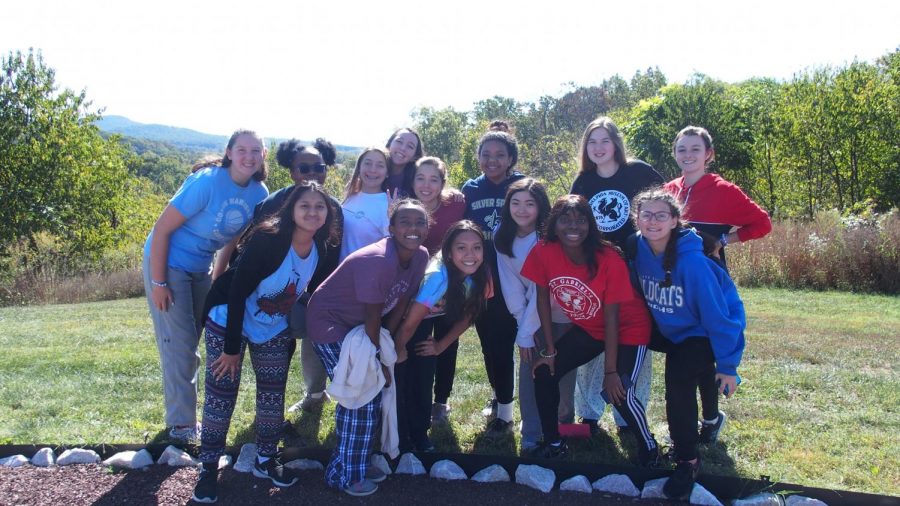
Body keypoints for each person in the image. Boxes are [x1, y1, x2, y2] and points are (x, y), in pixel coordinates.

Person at [192, 182, 337, 503]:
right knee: (221, 394)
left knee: (273, 396)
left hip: (271, 325)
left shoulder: (321, 248)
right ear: (291, 211)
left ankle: (266, 460)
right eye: (305, 206)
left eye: (320, 207)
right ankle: (207, 469)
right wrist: (231, 349)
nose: (312, 212)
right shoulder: (269, 240)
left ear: (328, 214)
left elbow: (310, 290)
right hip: (229, 317)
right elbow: (236, 291)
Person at [143, 129, 269, 442]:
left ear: (263, 156)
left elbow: (234, 239)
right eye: (242, 149)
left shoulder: (259, 193)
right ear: (229, 152)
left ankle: (184, 416)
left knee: (196, 337)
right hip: (168, 263)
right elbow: (161, 231)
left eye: (256, 151)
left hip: (200, 267)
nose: (248, 156)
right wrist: (159, 283)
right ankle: (181, 424)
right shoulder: (208, 182)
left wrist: (218, 278)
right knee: (180, 343)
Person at [521, 195, 661, 467]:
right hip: (592, 328)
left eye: (581, 219)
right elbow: (542, 301)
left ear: (591, 224)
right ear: (554, 224)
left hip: (628, 327)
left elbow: (613, 318)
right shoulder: (543, 251)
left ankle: (649, 447)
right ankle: (554, 443)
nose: (573, 226)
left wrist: (610, 373)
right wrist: (549, 351)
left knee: (619, 392)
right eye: (565, 219)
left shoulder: (607, 257)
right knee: (544, 372)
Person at [306, 199, 430, 496]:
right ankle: (344, 475)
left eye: (420, 223)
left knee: (369, 390)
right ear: (391, 228)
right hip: (331, 323)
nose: (413, 229)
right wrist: (378, 360)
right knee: (360, 392)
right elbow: (373, 315)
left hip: (362, 326)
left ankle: (355, 462)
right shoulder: (378, 260)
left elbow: (400, 302)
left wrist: (387, 347)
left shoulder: (420, 255)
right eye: (405, 223)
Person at [629, 188, 745, 499]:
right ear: (636, 218)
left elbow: (719, 317)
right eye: (646, 215)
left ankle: (688, 460)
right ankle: (711, 418)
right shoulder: (636, 247)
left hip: (703, 330)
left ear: (675, 220)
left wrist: (728, 366)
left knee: (679, 379)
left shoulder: (692, 262)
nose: (653, 221)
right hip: (670, 327)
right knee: (683, 364)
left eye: (661, 215)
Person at [664, 125, 770, 443]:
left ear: (708, 155)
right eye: (682, 149)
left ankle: (711, 418)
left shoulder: (724, 190)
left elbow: (762, 223)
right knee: (684, 350)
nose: (688, 155)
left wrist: (724, 238)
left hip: (709, 283)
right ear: (675, 153)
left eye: (695, 149)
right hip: (673, 284)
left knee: (705, 351)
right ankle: (697, 418)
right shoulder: (669, 189)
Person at [570, 116, 664, 436]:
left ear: (616, 144)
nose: (598, 148)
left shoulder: (638, 172)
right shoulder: (583, 182)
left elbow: (665, 207)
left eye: (604, 141)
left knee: (636, 342)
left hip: (637, 270)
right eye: (592, 142)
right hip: (596, 271)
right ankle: (590, 413)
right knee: (595, 339)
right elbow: (572, 224)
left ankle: (627, 415)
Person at [393, 221, 489, 452]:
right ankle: (398, 436)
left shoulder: (479, 274)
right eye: (461, 248)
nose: (470, 254)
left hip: (425, 319)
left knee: (425, 373)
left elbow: (469, 316)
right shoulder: (437, 276)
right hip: (399, 322)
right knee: (401, 378)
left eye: (476, 247)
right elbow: (410, 322)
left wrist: (440, 345)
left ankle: (420, 433)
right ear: (448, 252)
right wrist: (397, 350)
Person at [493, 178, 575, 452]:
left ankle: (564, 426)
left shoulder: (550, 238)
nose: (522, 209)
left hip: (560, 313)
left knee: (561, 370)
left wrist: (526, 331)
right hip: (529, 315)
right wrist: (524, 329)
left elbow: (548, 291)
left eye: (530, 203)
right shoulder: (501, 235)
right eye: (515, 203)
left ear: (541, 207)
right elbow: (511, 284)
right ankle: (531, 433)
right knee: (530, 370)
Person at [268, 138, 343, 413]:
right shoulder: (273, 203)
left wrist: (317, 295)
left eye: (319, 167)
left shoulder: (333, 207)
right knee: (278, 347)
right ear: (291, 170)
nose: (312, 173)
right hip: (274, 293)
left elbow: (332, 253)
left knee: (315, 342)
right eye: (304, 168)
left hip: (316, 292)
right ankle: (271, 399)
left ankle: (315, 395)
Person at [461, 120, 526, 435]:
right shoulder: (471, 189)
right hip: (484, 280)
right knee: (492, 346)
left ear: (511, 158)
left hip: (519, 278)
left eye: (500, 155)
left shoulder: (524, 186)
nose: (492, 161)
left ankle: (520, 409)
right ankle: (503, 406)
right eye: (486, 154)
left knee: (523, 343)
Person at [409, 156, 466, 424]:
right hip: (415, 288)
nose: (426, 185)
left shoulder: (455, 204)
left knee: (446, 343)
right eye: (421, 178)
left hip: (449, 285)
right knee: (419, 343)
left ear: (443, 184)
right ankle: (415, 396)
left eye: (434, 179)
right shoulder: (406, 207)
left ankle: (440, 402)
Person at [340, 147, 392, 260]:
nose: (373, 170)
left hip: (364, 274)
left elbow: (389, 250)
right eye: (368, 163)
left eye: (380, 165)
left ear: (387, 173)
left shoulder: (387, 205)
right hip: (338, 272)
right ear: (359, 167)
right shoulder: (349, 197)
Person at [385, 128, 424, 197]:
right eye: (399, 141)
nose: (403, 148)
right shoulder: (373, 172)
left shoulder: (417, 182)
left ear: (415, 156)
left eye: (410, 146)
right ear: (389, 144)